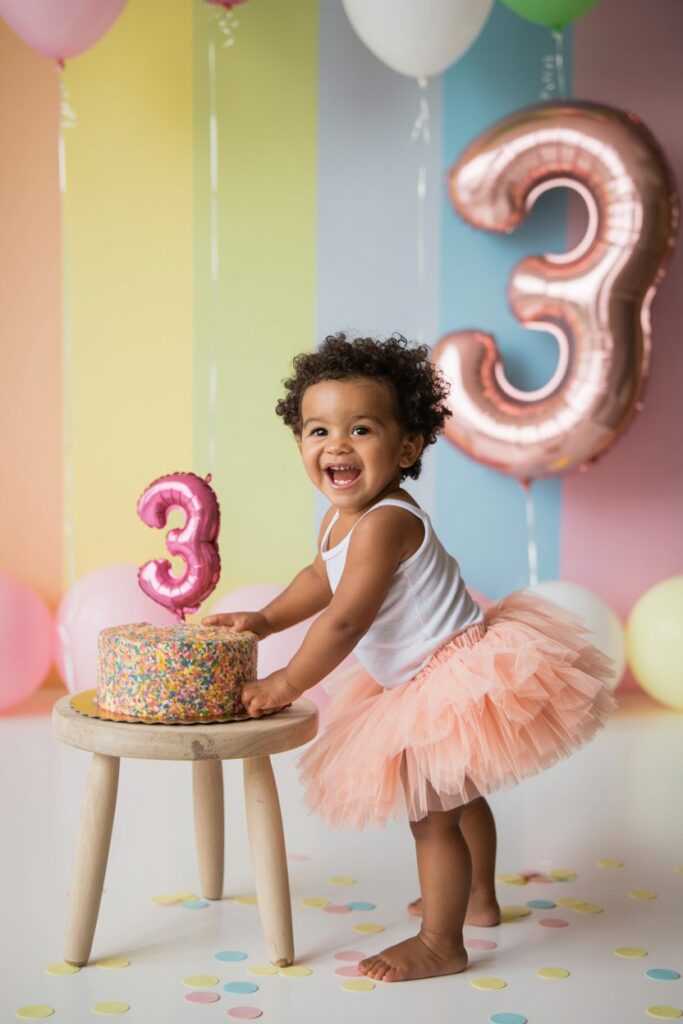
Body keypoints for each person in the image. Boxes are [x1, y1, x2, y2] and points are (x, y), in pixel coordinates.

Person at [202, 332, 617, 983]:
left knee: (432, 819)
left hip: (449, 675)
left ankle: (439, 941)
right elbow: (320, 579)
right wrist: (263, 620)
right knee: (459, 795)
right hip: (425, 673)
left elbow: (345, 618)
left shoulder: (387, 521)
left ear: (406, 446)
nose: (335, 445)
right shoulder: (341, 517)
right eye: (317, 430)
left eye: (360, 429)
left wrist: (287, 678)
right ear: (300, 444)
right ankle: (477, 898)